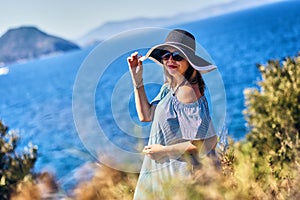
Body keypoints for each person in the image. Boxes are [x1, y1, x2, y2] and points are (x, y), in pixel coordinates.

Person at [127, 29, 218, 199]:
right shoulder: (170, 89)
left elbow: (199, 144)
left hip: (180, 179)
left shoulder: (187, 92)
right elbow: (145, 116)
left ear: (189, 61)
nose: (170, 60)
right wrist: (137, 80)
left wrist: (162, 151)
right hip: (169, 175)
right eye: (166, 55)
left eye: (177, 56)